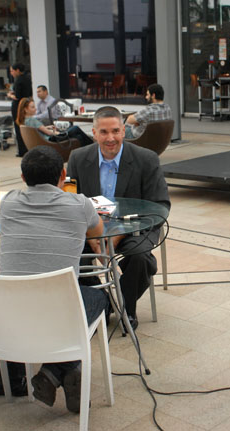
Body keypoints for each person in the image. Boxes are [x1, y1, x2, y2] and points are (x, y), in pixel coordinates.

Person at [0, 146, 108, 414]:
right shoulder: (80, 204)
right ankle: (55, 371)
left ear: (23, 178)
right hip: (57, 313)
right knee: (98, 297)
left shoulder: (9, 201)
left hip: (8, 314)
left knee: (70, 300)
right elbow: (97, 231)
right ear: (63, 174)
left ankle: (56, 374)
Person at [67, 107, 170, 328]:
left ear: (124, 130)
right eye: (103, 132)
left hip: (134, 228)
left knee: (141, 258)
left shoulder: (146, 159)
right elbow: (70, 202)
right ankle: (99, 302)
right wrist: (91, 234)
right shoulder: (78, 157)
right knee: (69, 254)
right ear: (94, 133)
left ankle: (124, 307)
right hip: (89, 229)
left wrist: (115, 237)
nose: (110, 138)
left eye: (115, 131)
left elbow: (160, 206)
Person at [16, 97, 93, 147]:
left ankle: (90, 149)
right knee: (75, 128)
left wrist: (46, 127)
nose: (35, 109)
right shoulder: (33, 120)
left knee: (78, 137)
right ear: (25, 109)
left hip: (43, 142)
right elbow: (49, 133)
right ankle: (93, 146)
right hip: (51, 140)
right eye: (32, 107)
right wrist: (58, 133)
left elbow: (35, 130)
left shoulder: (25, 121)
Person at [8, 63, 32, 157]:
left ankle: (22, 150)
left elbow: (17, 96)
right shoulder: (28, 78)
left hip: (18, 107)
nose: (11, 73)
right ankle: (27, 147)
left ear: (17, 70)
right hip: (25, 105)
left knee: (19, 127)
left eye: (12, 71)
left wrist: (10, 95)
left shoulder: (19, 80)